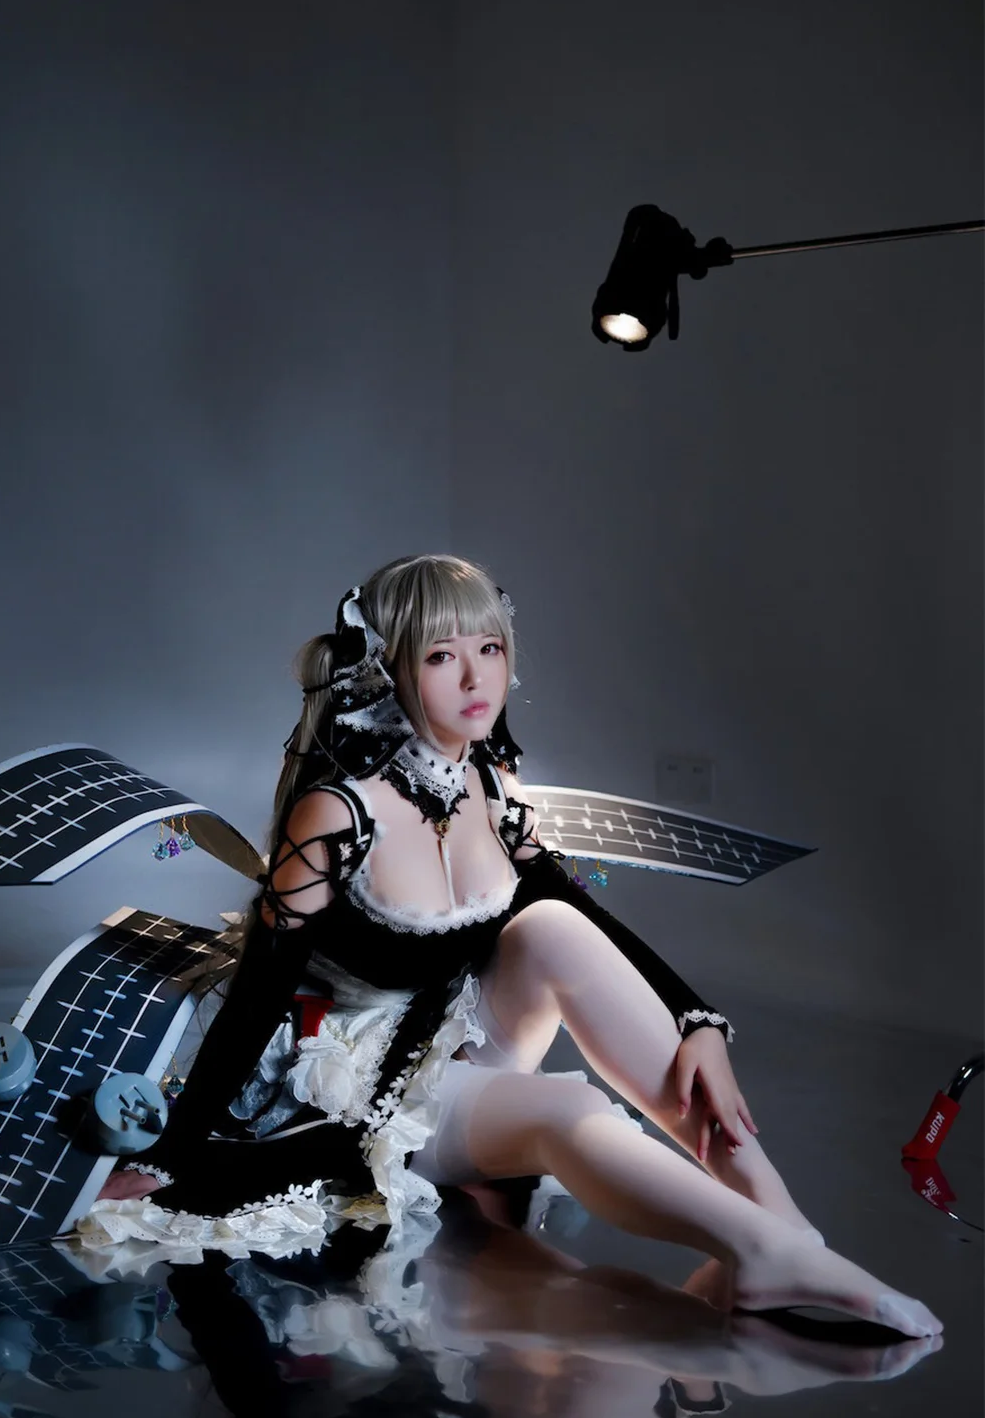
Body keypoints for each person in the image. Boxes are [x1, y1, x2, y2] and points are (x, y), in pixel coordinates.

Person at [76, 555, 939, 1339]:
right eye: (440, 655)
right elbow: (259, 994)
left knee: (554, 925)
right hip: (357, 1083)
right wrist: (172, 1155)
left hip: (455, 1032)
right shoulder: (336, 814)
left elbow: (577, 911)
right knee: (569, 1113)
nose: (475, 677)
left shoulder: (490, 787)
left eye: (489, 649)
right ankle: (760, 1251)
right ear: (389, 670)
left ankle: (787, 1231)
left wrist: (697, 1018)